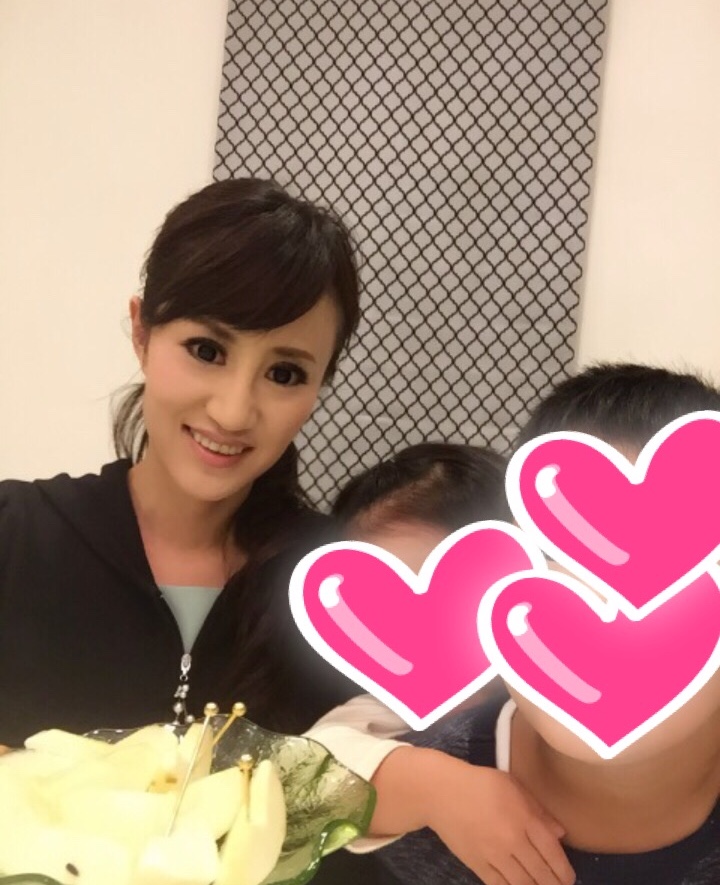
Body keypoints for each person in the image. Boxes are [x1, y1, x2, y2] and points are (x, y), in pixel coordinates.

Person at [0, 177, 362, 746]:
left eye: (284, 373)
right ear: (142, 333)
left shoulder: (337, 589)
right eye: (206, 350)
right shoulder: (16, 536)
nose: (233, 411)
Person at [349, 364, 720, 885]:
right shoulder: (409, 811)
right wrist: (418, 789)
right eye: (554, 549)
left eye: (679, 556)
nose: (600, 603)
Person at [306, 443, 575, 885]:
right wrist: (434, 788)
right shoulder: (388, 715)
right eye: (386, 616)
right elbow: (307, 773)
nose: (428, 635)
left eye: (457, 596)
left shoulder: (566, 684)